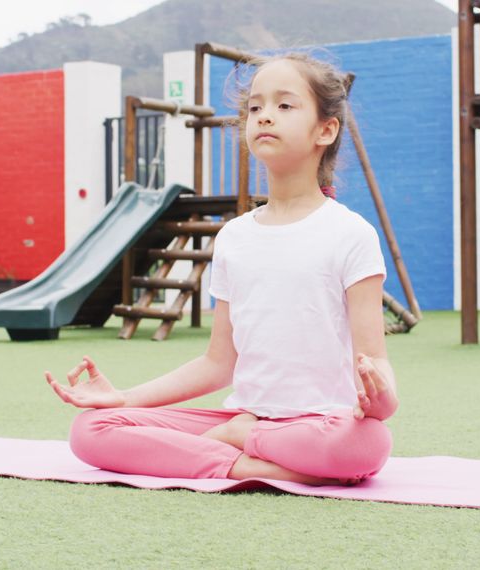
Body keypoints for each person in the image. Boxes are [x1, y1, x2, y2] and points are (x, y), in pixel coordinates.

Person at [45, 52, 399, 486]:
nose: (265, 116)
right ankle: (248, 463)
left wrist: (381, 402)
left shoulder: (350, 234)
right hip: (240, 416)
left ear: (325, 130)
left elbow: (374, 363)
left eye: (284, 106)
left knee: (368, 444)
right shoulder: (234, 237)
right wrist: (123, 398)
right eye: (255, 107)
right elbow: (218, 363)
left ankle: (243, 442)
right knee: (92, 430)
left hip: (320, 425)